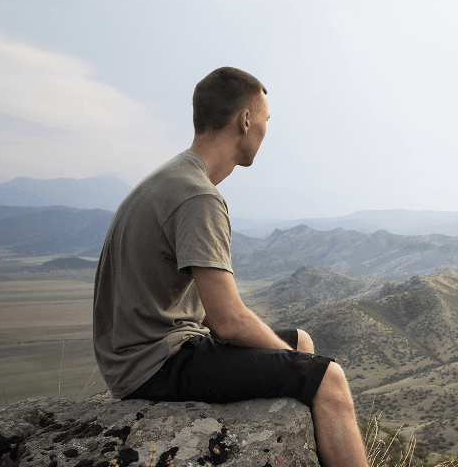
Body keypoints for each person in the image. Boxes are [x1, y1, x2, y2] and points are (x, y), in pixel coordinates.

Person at [93, 66, 368, 467]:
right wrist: (299, 369)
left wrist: (290, 358)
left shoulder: (170, 178)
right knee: (327, 378)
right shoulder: (197, 196)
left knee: (301, 342)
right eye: (266, 120)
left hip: (142, 357)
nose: (267, 129)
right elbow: (228, 320)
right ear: (245, 119)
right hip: (158, 366)